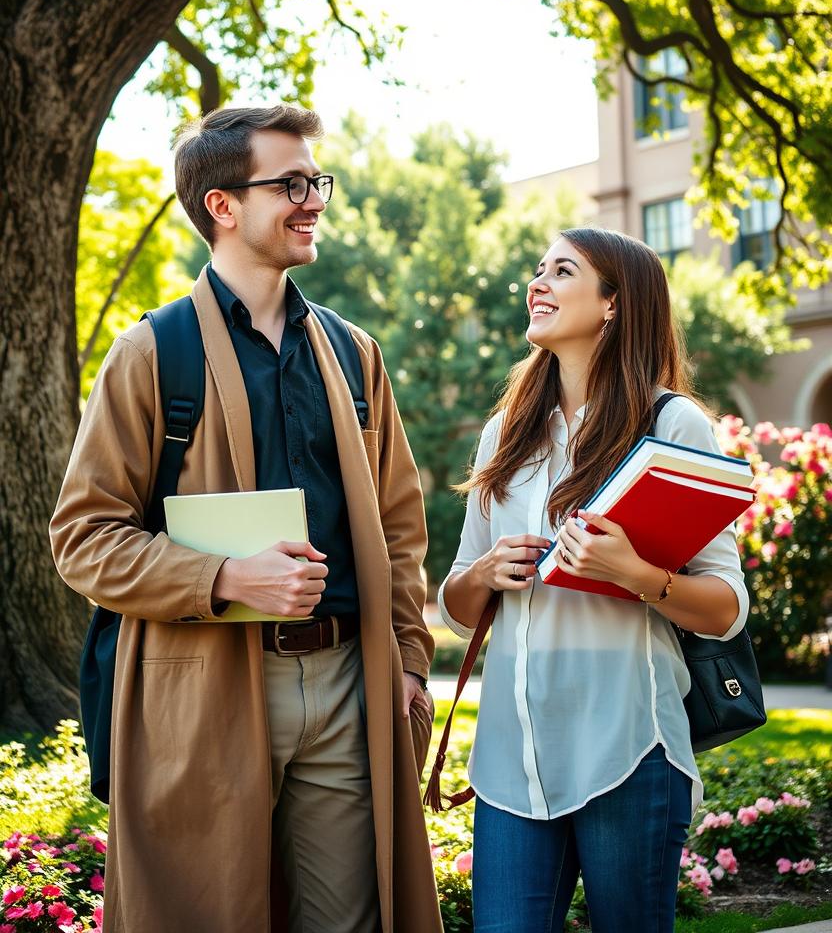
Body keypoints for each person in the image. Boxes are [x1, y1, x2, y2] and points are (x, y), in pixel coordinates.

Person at [51, 104, 442, 933]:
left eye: (316, 181)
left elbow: (400, 527)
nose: (314, 200)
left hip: (346, 685)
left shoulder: (353, 351)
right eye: (290, 183)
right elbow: (82, 541)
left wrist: (408, 662)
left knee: (350, 922)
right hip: (202, 688)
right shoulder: (153, 352)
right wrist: (223, 577)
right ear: (222, 206)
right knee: (205, 913)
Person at [439, 227, 750, 933]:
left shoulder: (674, 425)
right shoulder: (505, 434)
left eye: (562, 271)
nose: (537, 282)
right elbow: (458, 603)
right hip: (511, 760)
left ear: (613, 303)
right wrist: (487, 572)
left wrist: (635, 574)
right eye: (537, 267)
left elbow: (726, 608)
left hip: (630, 750)